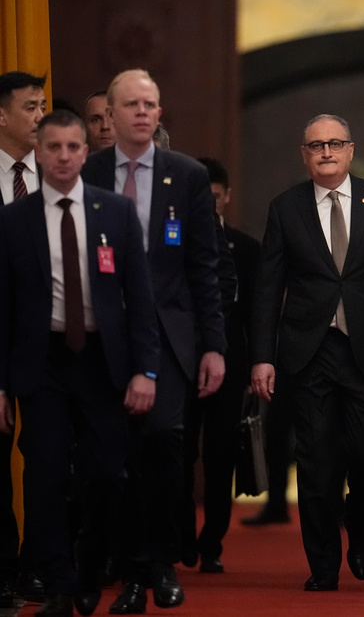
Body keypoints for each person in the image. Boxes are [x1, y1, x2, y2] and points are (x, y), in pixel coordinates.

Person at [0, 109, 160, 617]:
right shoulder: (12, 220)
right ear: (39, 153)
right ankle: (60, 586)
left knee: (108, 474)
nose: (65, 156)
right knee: (44, 477)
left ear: (85, 154)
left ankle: (91, 569)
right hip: (40, 362)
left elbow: (140, 297)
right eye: (55, 148)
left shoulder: (113, 212)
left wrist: (145, 369)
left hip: (102, 360)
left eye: (74, 147)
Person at [80, 68, 226, 613]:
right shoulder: (88, 172)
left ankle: (163, 563)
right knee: (116, 454)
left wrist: (213, 345)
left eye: (151, 104)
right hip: (102, 334)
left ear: (160, 114)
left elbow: (203, 266)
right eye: (132, 105)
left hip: (169, 334)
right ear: (111, 116)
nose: (143, 112)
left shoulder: (185, 175)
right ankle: (130, 569)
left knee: (164, 440)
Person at [250, 114, 364, 591]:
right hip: (308, 351)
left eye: (335, 143)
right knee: (317, 462)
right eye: (316, 145)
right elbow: (267, 288)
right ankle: (322, 564)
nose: (326, 152)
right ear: (304, 154)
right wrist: (262, 356)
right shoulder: (285, 208)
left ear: (351, 150)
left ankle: (357, 517)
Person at [179, 158, 261, 574]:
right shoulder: (175, 238)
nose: (208, 205)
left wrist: (254, 367)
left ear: (226, 196)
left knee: (220, 456)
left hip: (231, 365)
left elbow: (252, 313)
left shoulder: (246, 249)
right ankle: (179, 535)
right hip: (181, 363)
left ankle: (213, 540)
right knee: (178, 450)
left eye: (213, 197)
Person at [0, 70, 47, 606]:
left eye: (42, 106)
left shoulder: (59, 173)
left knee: (47, 459)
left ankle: (38, 564)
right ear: (3, 115)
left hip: (49, 342)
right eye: (30, 108)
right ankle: (5, 566)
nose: (39, 116)